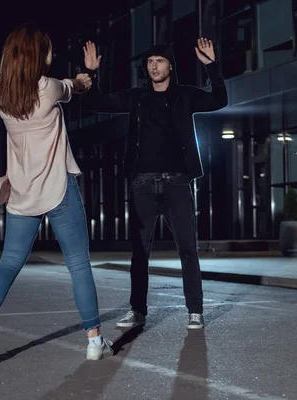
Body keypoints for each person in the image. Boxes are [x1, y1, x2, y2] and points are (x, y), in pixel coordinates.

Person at [0, 24, 112, 367]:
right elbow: (75, 87)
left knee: (9, 262)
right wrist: (88, 73)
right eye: (47, 49)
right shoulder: (47, 88)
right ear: (36, 54)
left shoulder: (2, 91)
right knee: (78, 265)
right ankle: (94, 341)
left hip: (21, 192)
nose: (53, 54)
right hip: (57, 188)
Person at [82, 38, 228, 330]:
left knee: (188, 248)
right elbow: (96, 103)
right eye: (150, 62)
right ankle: (137, 310)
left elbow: (219, 100)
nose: (154, 66)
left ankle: (195, 311)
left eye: (159, 61)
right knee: (139, 253)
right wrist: (91, 74)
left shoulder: (186, 95)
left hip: (177, 184)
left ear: (170, 66)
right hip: (143, 186)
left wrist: (212, 66)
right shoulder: (136, 97)